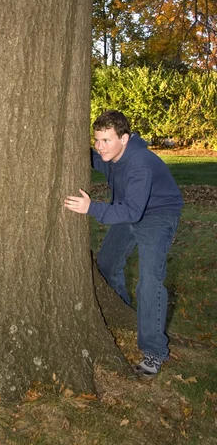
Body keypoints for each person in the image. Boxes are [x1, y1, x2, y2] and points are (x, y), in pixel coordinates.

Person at [64, 110, 183, 378]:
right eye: (97, 139)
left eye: (106, 140)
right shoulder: (111, 156)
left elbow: (133, 212)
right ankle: (127, 314)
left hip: (158, 215)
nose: (100, 146)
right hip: (128, 210)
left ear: (125, 138)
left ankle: (155, 352)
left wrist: (91, 207)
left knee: (150, 282)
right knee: (106, 265)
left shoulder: (139, 163)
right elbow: (92, 157)